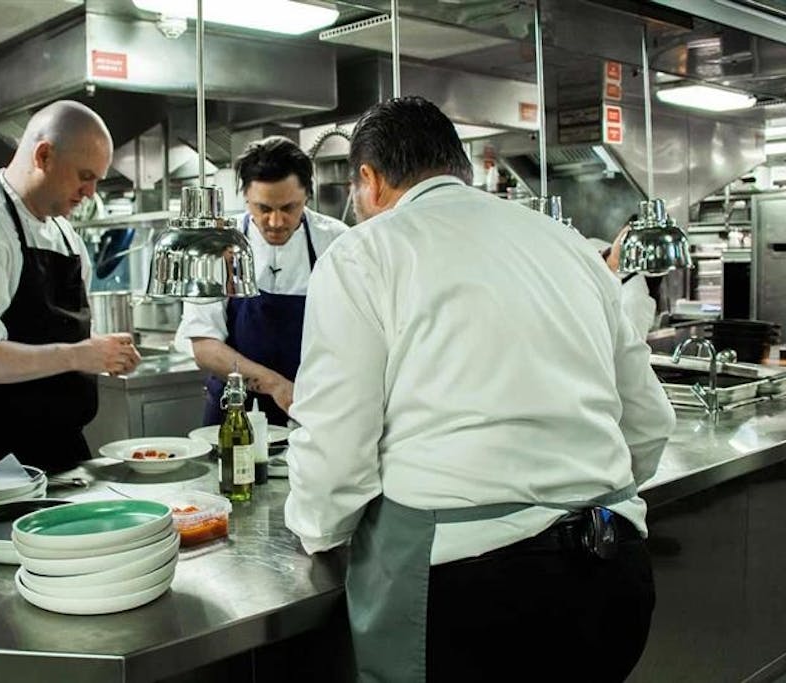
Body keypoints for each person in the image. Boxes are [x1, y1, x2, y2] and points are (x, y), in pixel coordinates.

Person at [284, 97, 675, 682]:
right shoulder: (569, 245)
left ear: (368, 180)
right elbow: (647, 421)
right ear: (458, 167)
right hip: (612, 576)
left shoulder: (365, 252)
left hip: (474, 599)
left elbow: (338, 445)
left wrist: (317, 530)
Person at [0, 100, 141, 473]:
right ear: (44, 156)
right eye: (84, 176)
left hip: (55, 446)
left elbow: (52, 330)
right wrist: (79, 355)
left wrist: (103, 352)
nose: (90, 192)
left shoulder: (65, 233)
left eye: (97, 181)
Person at [175, 136, 347, 426]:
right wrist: (276, 385)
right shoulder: (219, 247)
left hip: (310, 409)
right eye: (264, 209)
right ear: (245, 198)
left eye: (289, 208)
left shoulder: (337, 243)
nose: (277, 222)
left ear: (307, 195)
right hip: (233, 411)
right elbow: (204, 346)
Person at [589, 214, 658, 341]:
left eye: (640, 243)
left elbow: (631, 354)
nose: (628, 244)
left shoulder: (637, 300)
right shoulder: (591, 246)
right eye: (629, 234)